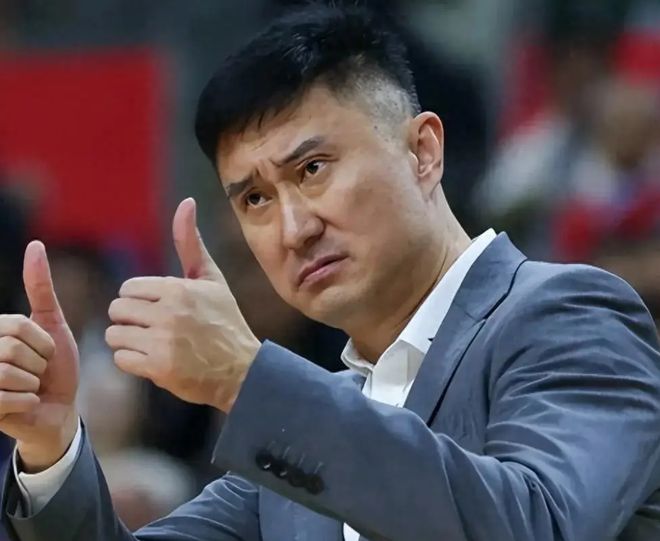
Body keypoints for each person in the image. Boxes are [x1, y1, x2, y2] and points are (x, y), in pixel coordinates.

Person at [0, 4, 660, 541]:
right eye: (255, 199)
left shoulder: (571, 315)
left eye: (312, 169)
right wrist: (51, 446)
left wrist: (243, 378)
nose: (294, 227)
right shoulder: (296, 435)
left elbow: (539, 525)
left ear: (423, 151)